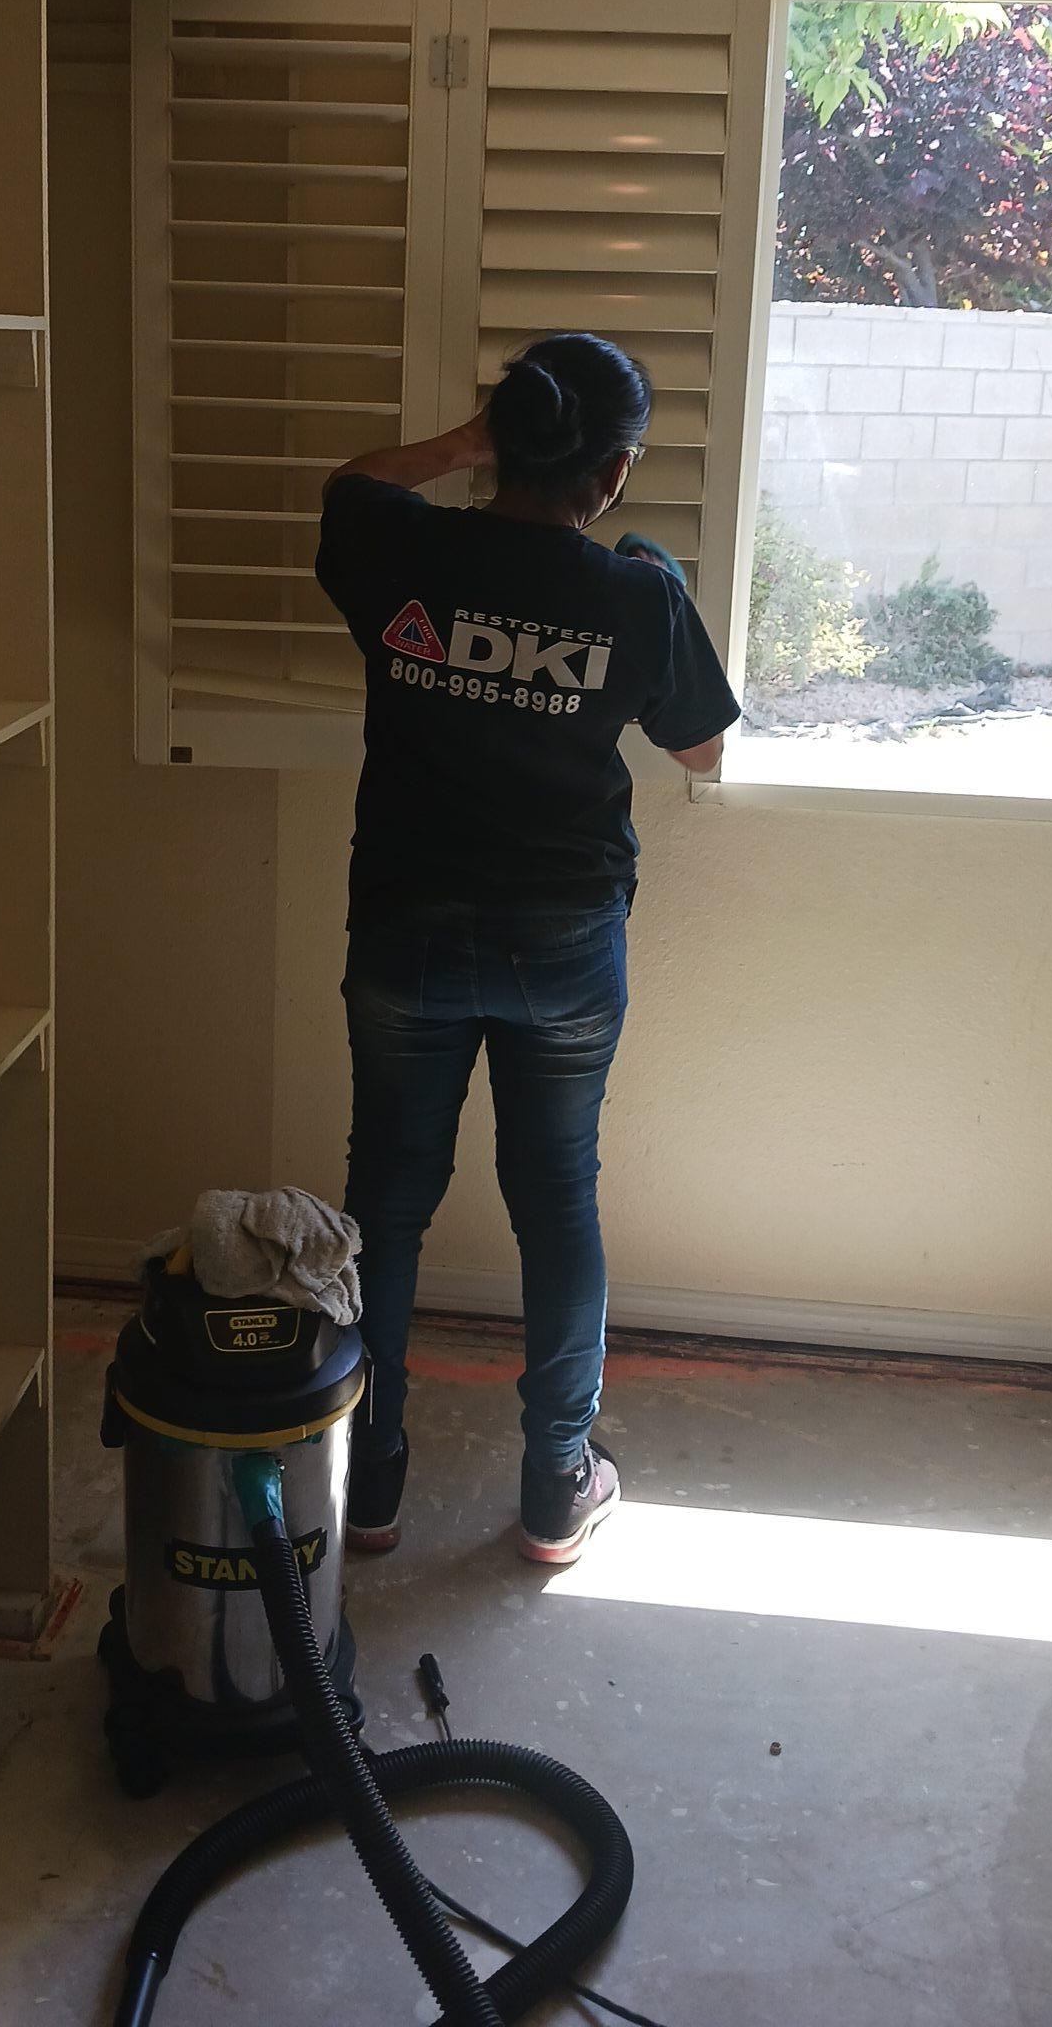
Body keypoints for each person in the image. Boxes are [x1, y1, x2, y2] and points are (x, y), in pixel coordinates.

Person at [315, 333, 739, 1567]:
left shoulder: (404, 550)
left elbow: (352, 484)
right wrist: (648, 590)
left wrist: (458, 446)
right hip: (562, 941)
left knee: (385, 1198)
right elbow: (702, 754)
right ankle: (558, 1485)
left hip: (406, 927)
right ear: (610, 473)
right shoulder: (633, 592)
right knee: (556, 1201)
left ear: (506, 437)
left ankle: (373, 1478)